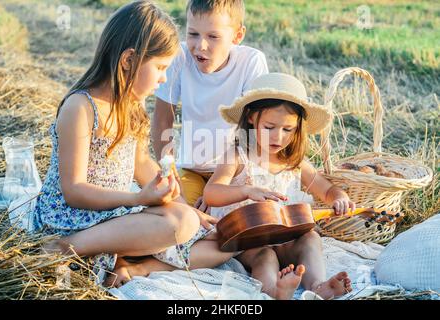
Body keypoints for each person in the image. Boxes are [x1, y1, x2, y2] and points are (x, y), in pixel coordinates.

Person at [31, 1, 215, 285]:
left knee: (209, 235)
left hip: (109, 215)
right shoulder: (81, 107)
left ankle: (124, 262)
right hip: (70, 219)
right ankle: (63, 248)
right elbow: (74, 191)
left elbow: (140, 162)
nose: (164, 78)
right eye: (160, 67)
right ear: (129, 60)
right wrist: (138, 199)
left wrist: (179, 201)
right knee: (180, 224)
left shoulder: (131, 105)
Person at [203, 73, 354, 300]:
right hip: (247, 241)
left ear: (298, 129)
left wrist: (339, 198)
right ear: (252, 118)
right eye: (270, 127)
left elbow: (327, 190)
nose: (278, 137)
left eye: (287, 129)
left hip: (286, 239)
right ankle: (275, 290)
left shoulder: (295, 164)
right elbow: (211, 193)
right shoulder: (237, 156)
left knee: (311, 238)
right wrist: (246, 191)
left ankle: (317, 285)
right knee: (265, 256)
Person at [152, 0, 269, 213]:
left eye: (213, 36)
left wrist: (216, 188)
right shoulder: (179, 58)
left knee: (241, 219)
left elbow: (253, 130)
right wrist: (169, 172)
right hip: (191, 169)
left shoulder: (251, 62)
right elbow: (162, 122)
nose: (200, 45)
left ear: (237, 36)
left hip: (235, 170)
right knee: (179, 214)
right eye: (193, 34)